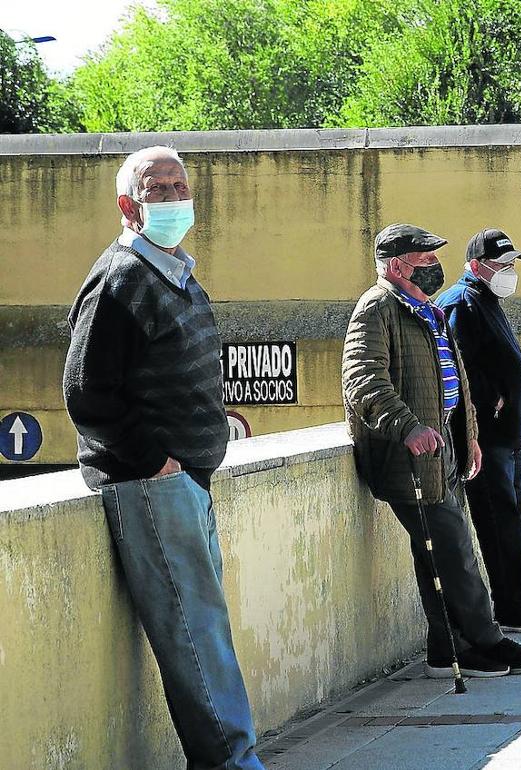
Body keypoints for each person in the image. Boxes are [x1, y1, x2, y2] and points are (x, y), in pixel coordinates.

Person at [62, 146, 265, 769]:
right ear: (129, 205)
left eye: (181, 186)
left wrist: (213, 419)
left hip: (185, 479)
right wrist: (155, 461)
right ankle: (231, 762)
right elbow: (86, 390)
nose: (175, 198)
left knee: (205, 628)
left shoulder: (172, 270)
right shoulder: (121, 276)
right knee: (194, 634)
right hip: (151, 484)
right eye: (160, 189)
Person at [342, 223, 521, 680]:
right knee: (453, 548)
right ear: (396, 266)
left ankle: (448, 647)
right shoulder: (378, 308)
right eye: (425, 261)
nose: (435, 268)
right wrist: (408, 427)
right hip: (408, 455)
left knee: (437, 552)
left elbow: (457, 380)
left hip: (444, 449)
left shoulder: (424, 308)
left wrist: (468, 435)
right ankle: (486, 639)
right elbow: (363, 379)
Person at [436, 228, 521, 633]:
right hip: (486, 439)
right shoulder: (462, 303)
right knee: (499, 523)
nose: (510, 271)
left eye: (512, 264)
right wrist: (492, 397)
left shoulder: (486, 300)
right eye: (502, 265)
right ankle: (510, 606)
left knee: (518, 518)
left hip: (509, 438)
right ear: (476, 266)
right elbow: (458, 366)